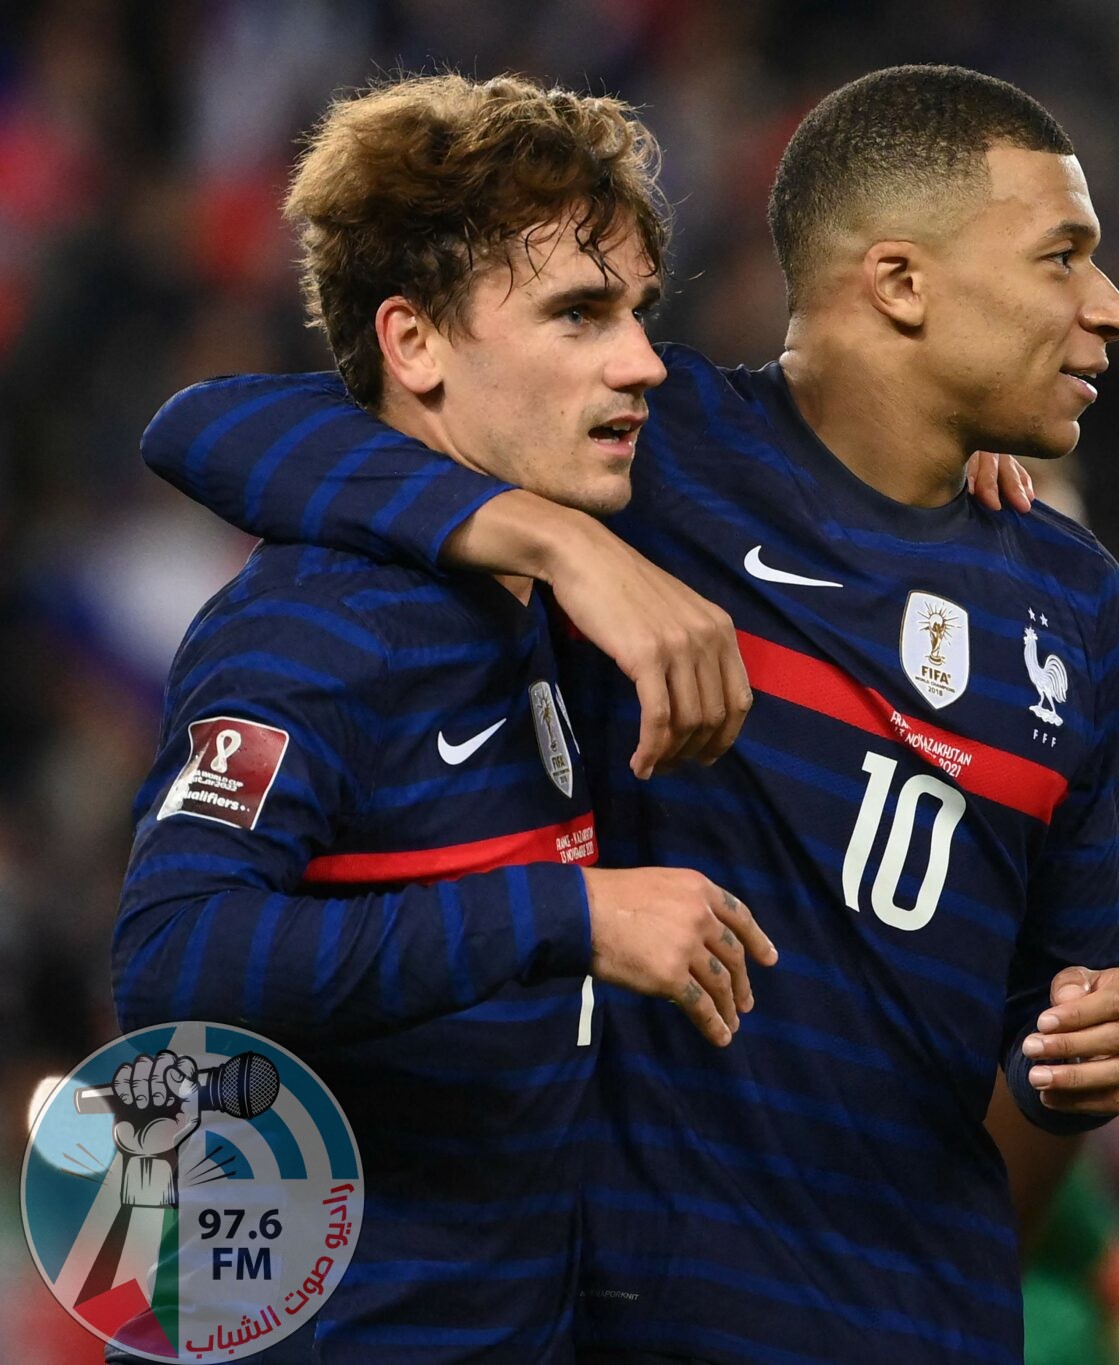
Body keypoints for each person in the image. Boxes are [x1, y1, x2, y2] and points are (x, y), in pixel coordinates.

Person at [139, 64, 1119, 1364]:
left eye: (633, 313)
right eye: (1062, 257)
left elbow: (1062, 986)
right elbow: (212, 427)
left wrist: (1100, 1026)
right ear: (901, 283)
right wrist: (570, 549)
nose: (1115, 306)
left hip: (927, 1312)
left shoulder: (1070, 594)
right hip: (643, 1312)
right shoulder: (651, 464)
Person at [111, 75, 778, 1362]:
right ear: (412, 344)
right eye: (577, 314)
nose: (641, 359)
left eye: (638, 312)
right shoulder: (314, 628)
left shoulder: (529, 586)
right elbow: (174, 957)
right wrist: (569, 916)